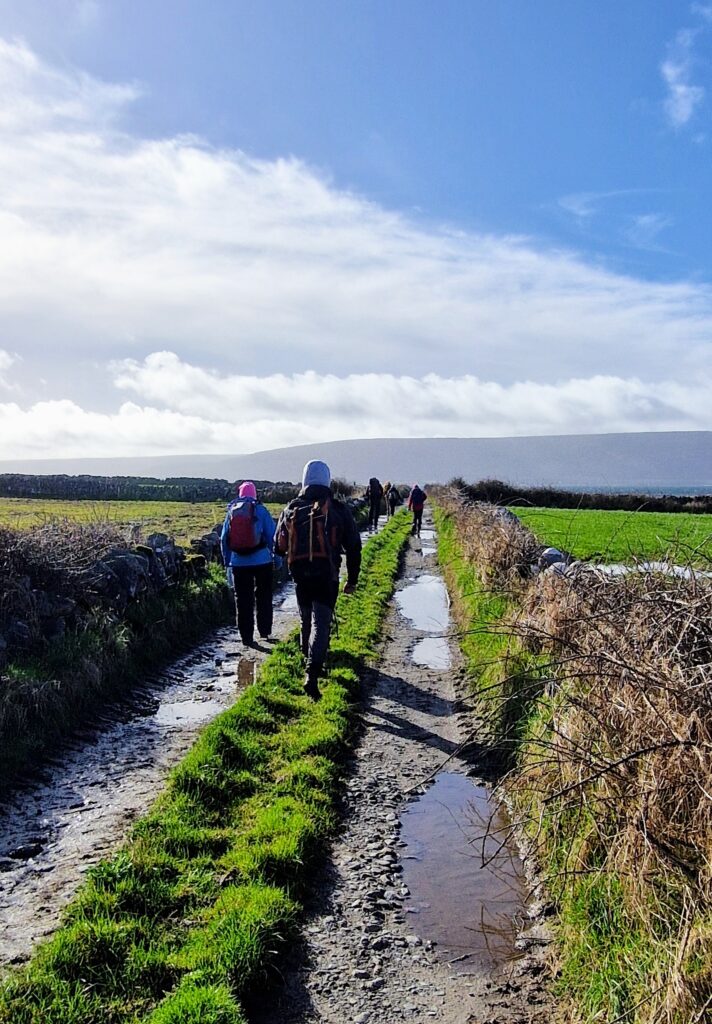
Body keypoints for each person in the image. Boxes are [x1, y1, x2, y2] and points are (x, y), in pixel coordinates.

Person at [275, 460, 361, 700]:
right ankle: (312, 674)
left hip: (300, 574)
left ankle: (308, 660)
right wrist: (352, 580)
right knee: (320, 624)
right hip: (327, 575)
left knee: (305, 620)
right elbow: (354, 546)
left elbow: (277, 546)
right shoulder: (338, 509)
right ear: (327, 479)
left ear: (305, 480)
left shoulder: (291, 508)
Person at [220, 481, 277, 647]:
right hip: (262, 562)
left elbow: (224, 539)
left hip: (238, 563)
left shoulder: (231, 512)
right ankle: (265, 631)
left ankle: (246, 637)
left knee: (243, 600)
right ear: (254, 494)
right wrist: (278, 559)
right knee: (264, 596)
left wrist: (227, 563)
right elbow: (272, 536)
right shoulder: (261, 510)